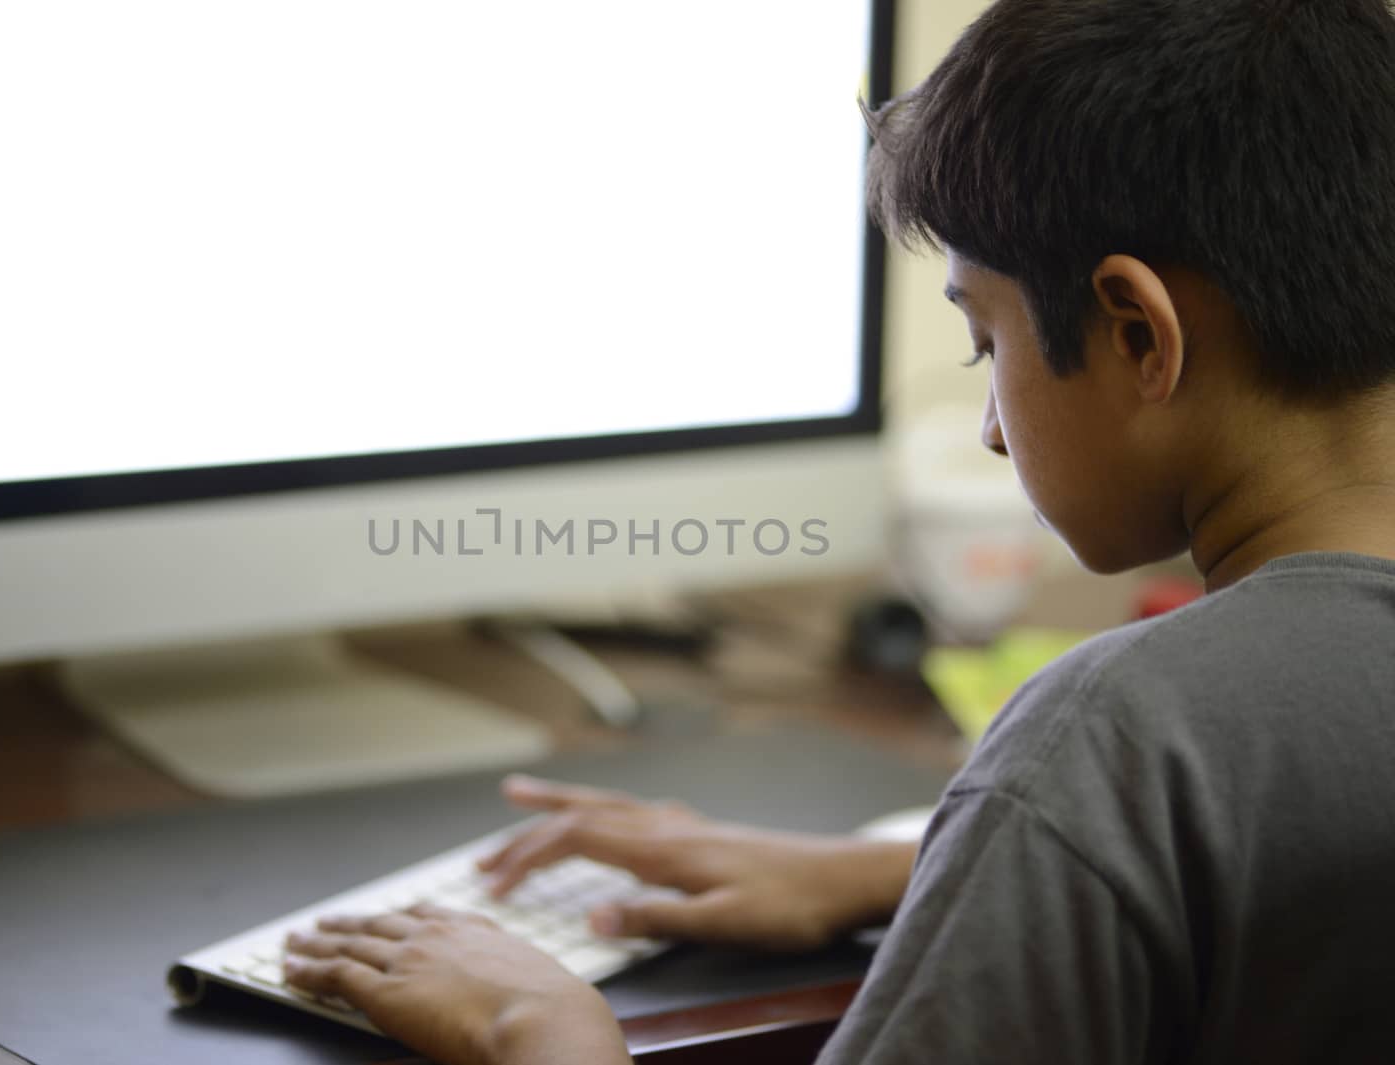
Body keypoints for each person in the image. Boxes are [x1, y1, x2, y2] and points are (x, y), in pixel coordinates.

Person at [280, 1, 1395, 1061]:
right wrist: (906, 870)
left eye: (982, 342)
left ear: (1137, 334)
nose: (994, 430)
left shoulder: (1124, 743)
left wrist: (536, 1029)